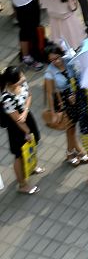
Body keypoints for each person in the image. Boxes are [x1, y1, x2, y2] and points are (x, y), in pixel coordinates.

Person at [42, 41, 87, 166]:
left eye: (57, 58)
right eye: (52, 60)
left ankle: (76, 150)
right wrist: (53, 112)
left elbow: (78, 77)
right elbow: (50, 94)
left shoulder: (69, 61)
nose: (56, 61)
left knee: (74, 127)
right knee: (70, 128)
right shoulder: (49, 73)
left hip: (76, 97)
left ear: (61, 54)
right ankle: (70, 152)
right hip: (63, 103)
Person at [1, 65, 42, 194]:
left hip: (26, 119)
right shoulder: (6, 98)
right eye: (20, 78)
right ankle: (22, 184)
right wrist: (27, 132)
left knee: (32, 144)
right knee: (19, 155)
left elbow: (29, 96)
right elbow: (17, 120)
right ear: (12, 83)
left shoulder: (21, 85)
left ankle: (31, 167)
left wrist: (25, 111)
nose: (24, 78)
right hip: (17, 128)